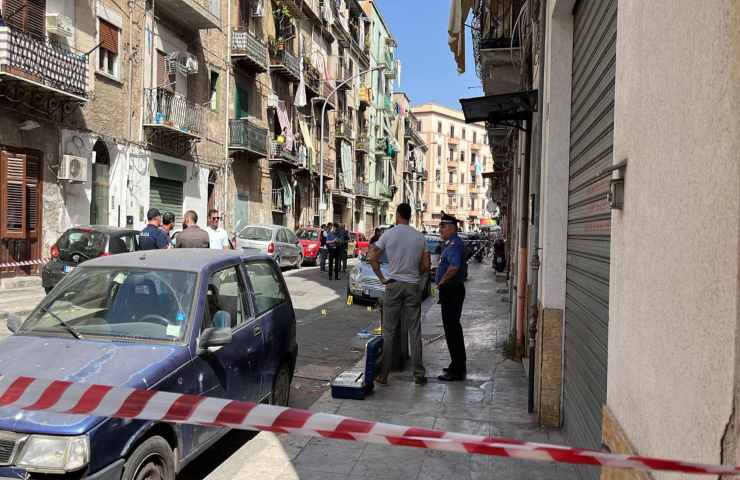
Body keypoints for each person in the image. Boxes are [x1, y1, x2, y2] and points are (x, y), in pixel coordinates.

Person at [368, 203, 430, 386]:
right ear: (410, 216)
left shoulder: (389, 234)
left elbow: (372, 257)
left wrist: (382, 279)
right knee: (415, 331)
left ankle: (384, 374)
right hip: (413, 286)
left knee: (389, 332)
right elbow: (426, 266)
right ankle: (419, 373)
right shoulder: (420, 237)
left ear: (397, 215)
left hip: (393, 285)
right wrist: (415, 274)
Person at [436, 211, 467, 381]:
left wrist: (442, 281)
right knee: (452, 330)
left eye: (443, 226)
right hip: (451, 290)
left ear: (452, 228)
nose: (440, 229)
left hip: (452, 290)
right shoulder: (450, 244)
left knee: (452, 330)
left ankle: (457, 369)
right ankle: (456, 364)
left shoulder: (454, 245)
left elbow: (454, 267)